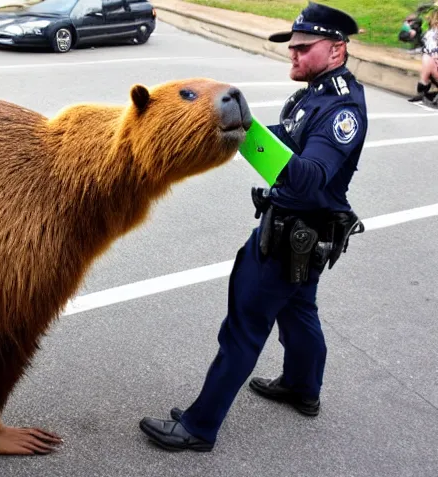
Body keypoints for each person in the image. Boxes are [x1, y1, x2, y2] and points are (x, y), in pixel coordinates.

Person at [139, 1, 368, 452]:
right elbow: (290, 139)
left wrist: (246, 134)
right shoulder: (317, 94)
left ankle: (199, 427)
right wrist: (239, 128)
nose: (294, 54)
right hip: (305, 233)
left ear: (336, 51)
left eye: (304, 47)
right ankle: (303, 387)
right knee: (300, 311)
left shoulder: (342, 109)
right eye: (292, 47)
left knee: (244, 326)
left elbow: (309, 176)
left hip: (291, 235)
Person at [409, 8, 438, 102]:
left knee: (428, 60)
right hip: (433, 64)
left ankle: (422, 91)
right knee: (427, 59)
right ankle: (422, 92)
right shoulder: (431, 34)